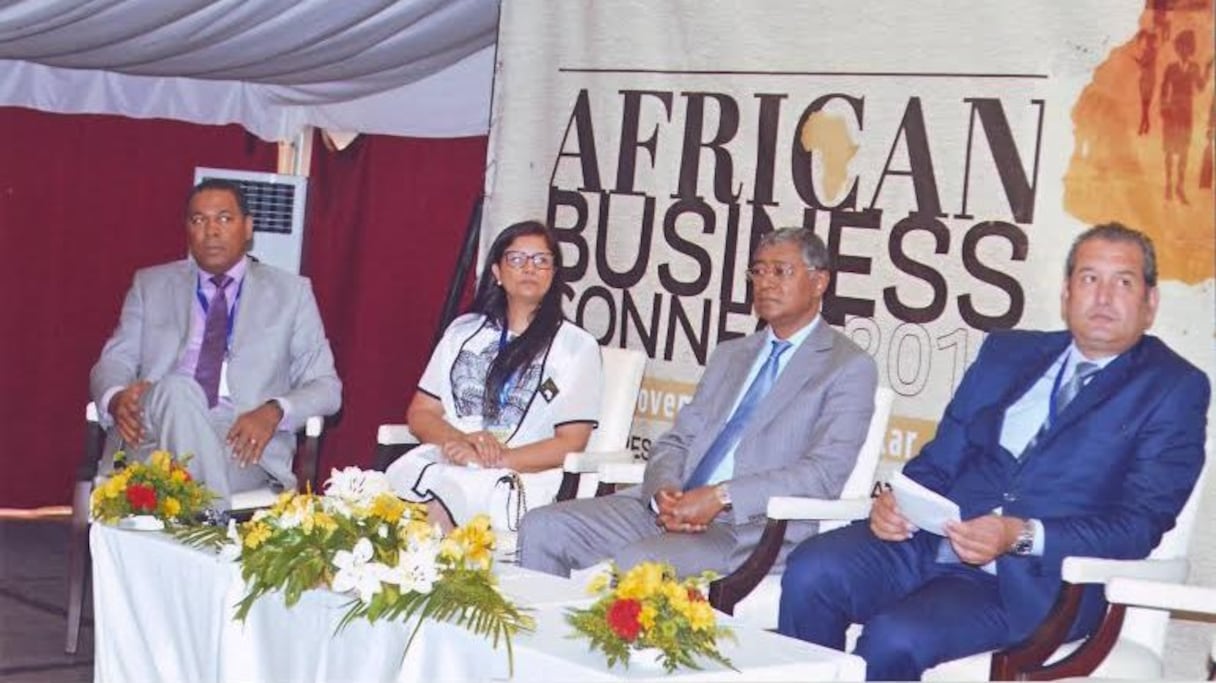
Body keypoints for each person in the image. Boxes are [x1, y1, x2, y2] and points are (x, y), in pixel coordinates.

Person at [777, 223, 1209, 681]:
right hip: (926, 541)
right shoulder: (1009, 352)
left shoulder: (1172, 387)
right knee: (812, 569)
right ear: (1066, 293)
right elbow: (941, 458)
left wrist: (1020, 535)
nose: (1102, 297)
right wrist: (897, 503)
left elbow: (1139, 524)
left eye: (1122, 282)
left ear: (1150, 302)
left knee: (895, 637)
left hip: (1031, 584)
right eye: (1088, 279)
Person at [518, 228, 878, 578]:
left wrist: (720, 497)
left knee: (641, 562)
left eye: (781, 271)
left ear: (819, 282)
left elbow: (823, 474)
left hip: (747, 529)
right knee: (543, 526)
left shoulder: (846, 366)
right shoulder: (731, 355)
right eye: (758, 271)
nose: (765, 282)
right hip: (666, 509)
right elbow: (677, 439)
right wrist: (664, 492)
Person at [90, 179, 342, 507]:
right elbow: (113, 362)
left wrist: (275, 410)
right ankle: (209, 527)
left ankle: (196, 519)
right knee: (179, 390)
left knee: (191, 464)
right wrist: (114, 398)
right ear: (187, 230)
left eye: (224, 218)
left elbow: (326, 387)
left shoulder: (290, 294)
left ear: (248, 228)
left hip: (240, 444)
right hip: (153, 433)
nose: (211, 230)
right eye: (199, 220)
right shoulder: (151, 285)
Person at [386, 220, 603, 532]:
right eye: (517, 259)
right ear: (497, 273)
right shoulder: (463, 332)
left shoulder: (576, 347)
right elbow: (421, 413)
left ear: (554, 275)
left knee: (446, 500)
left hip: (520, 474)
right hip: (453, 456)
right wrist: (460, 442)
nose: (529, 268)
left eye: (541, 261)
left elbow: (570, 443)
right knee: (388, 495)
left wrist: (493, 459)